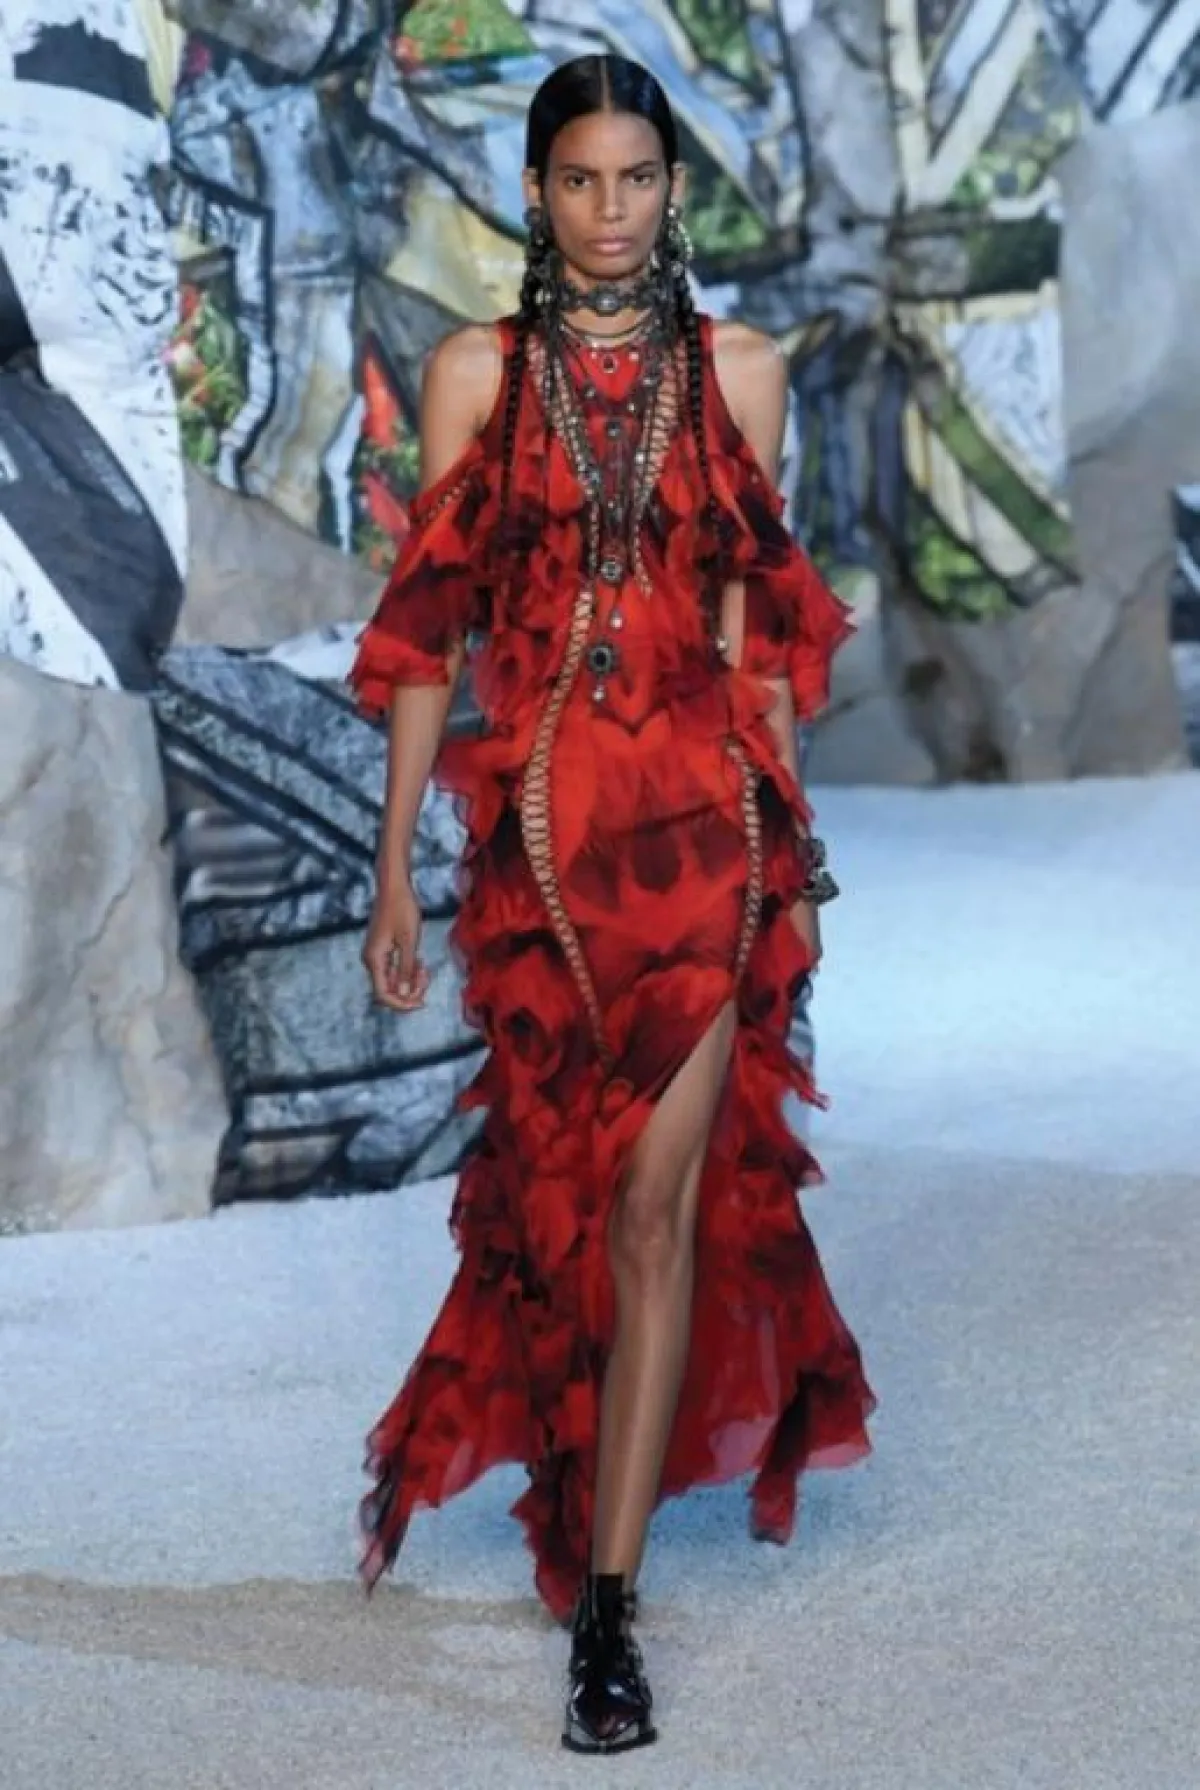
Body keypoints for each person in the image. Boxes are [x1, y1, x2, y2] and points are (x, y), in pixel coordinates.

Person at [350, 52, 875, 1756]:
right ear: (535, 191)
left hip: (703, 838)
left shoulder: (741, 372)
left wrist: (795, 864)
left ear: (673, 190)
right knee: (554, 1193)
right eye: (579, 179)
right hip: (544, 849)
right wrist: (395, 864)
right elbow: (426, 635)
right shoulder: (474, 376)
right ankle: (586, 1497)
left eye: (637, 178)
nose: (609, 208)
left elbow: (756, 646)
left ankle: (608, 1610)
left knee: (656, 1211)